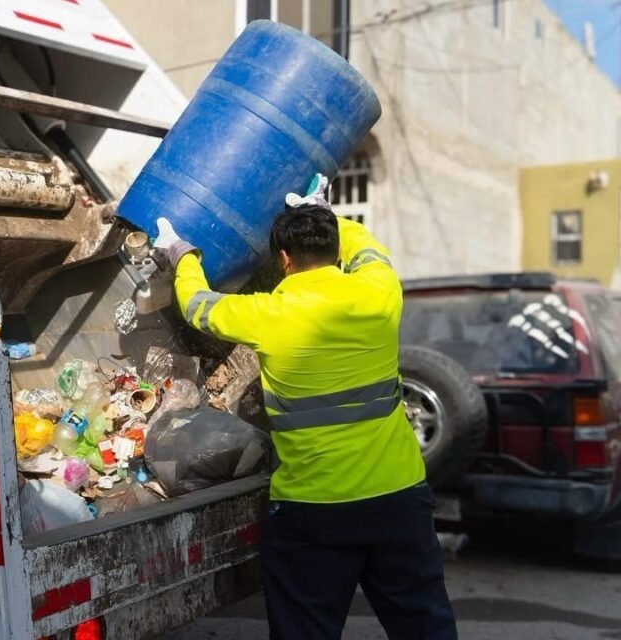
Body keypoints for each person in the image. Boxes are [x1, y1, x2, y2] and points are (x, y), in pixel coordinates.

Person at [151, 176, 457, 639]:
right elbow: (369, 251)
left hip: (314, 510)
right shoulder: (380, 293)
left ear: (284, 260)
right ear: (335, 251)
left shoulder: (267, 314)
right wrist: (329, 214)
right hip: (399, 500)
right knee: (424, 624)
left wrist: (182, 256)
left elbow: (197, 306)